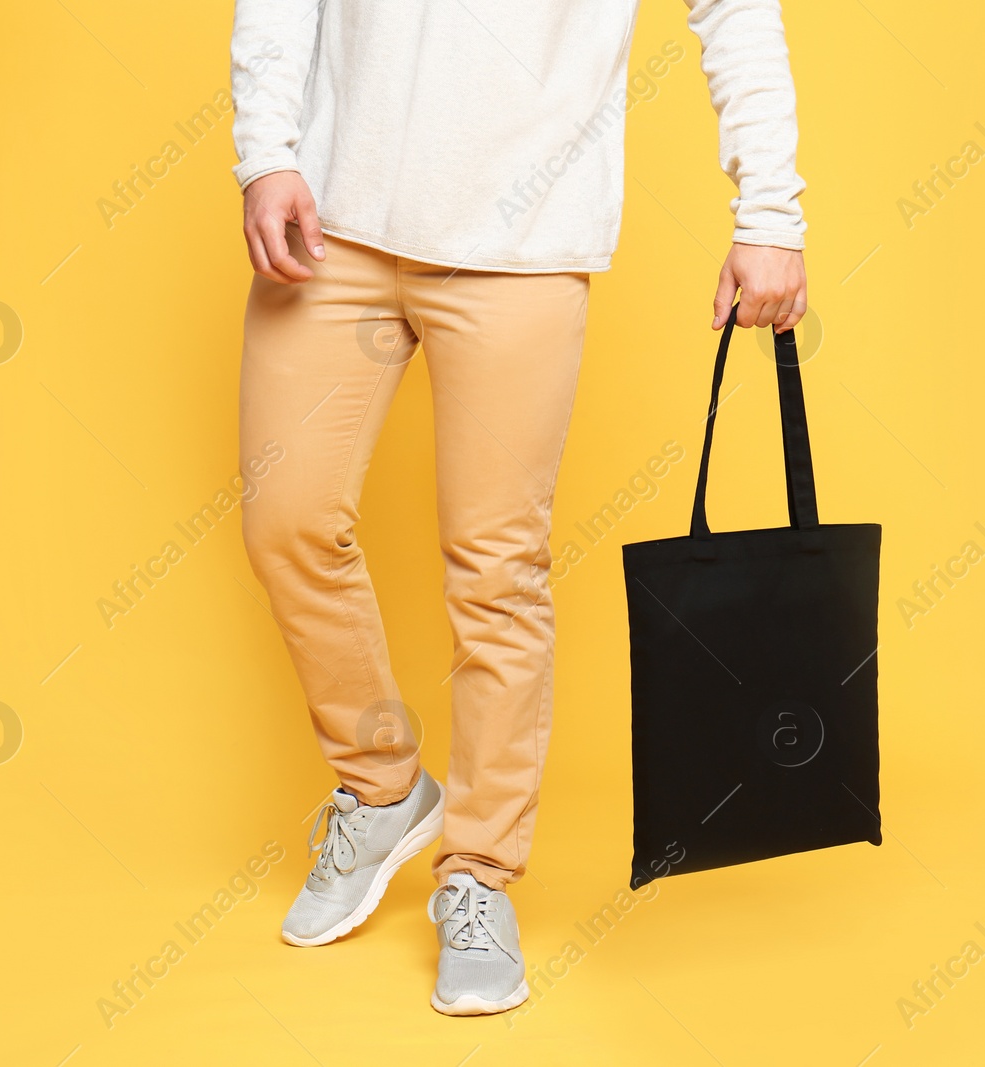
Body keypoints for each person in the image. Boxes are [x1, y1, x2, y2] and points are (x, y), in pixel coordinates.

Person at [230, 0, 808, 1016]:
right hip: (334, 219)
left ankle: (479, 871)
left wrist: (769, 217)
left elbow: (736, 14)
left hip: (523, 244)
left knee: (496, 569)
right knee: (286, 518)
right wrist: (264, 151)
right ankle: (380, 789)